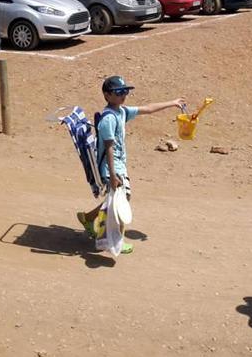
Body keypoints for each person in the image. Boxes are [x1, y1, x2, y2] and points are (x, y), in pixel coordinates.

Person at [76, 75, 185, 254]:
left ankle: (88, 218)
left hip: (118, 165)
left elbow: (148, 109)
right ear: (107, 95)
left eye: (125, 91)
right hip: (112, 168)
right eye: (119, 92)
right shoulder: (108, 119)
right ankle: (117, 240)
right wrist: (112, 175)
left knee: (117, 198)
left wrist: (172, 102)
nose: (123, 95)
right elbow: (109, 148)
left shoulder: (121, 111)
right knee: (122, 200)